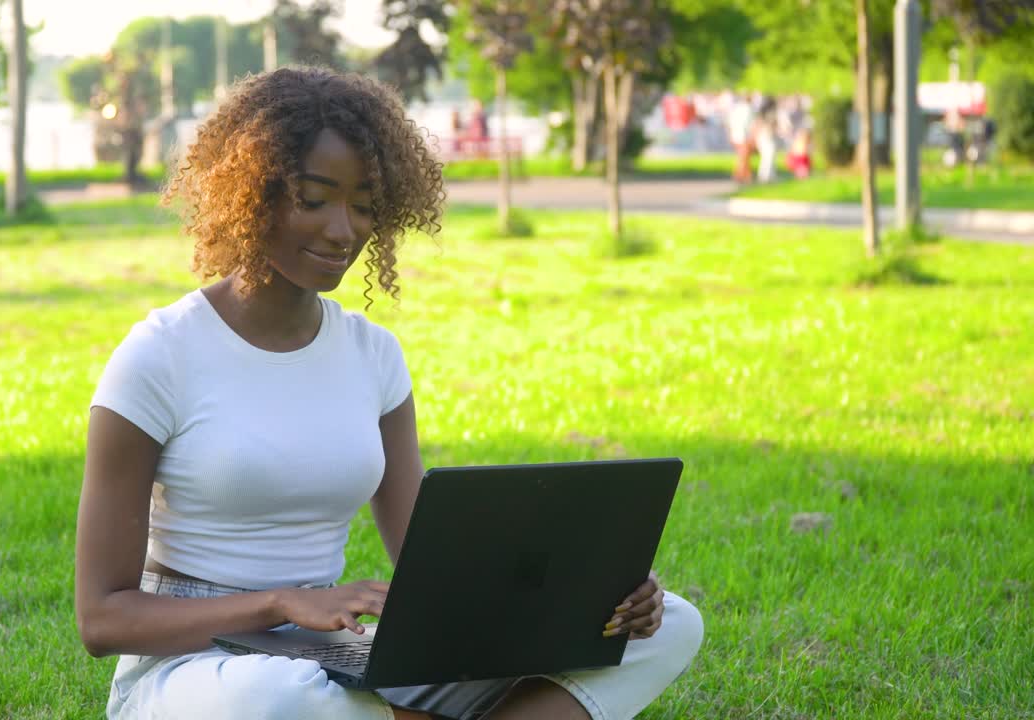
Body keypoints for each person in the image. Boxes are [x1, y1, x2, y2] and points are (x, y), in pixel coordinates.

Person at [75, 66, 704, 720]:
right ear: (253, 191)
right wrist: (281, 603)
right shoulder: (160, 356)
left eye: (365, 205)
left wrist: (592, 597)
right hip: (194, 669)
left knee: (672, 625)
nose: (343, 230)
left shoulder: (373, 355)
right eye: (313, 199)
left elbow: (433, 571)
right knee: (286, 699)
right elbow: (102, 619)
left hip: (328, 651)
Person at [727, 93, 755, 183]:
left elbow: (730, 122)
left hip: (736, 135)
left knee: (742, 156)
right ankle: (740, 175)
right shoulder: (749, 109)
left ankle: (745, 174)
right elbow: (749, 124)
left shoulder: (736, 108)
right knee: (744, 156)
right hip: (744, 136)